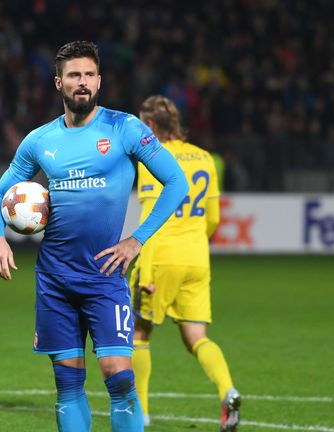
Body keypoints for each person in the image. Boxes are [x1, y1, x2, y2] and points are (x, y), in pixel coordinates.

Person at [0, 41, 188, 432]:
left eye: (90, 75)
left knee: (119, 378)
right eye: (74, 75)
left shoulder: (125, 127)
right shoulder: (40, 141)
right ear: (58, 82)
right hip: (55, 279)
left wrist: (137, 239)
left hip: (105, 275)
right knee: (67, 384)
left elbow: (176, 183)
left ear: (100, 80)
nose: (83, 83)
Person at [130, 95, 241, 431]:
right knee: (196, 336)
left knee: (138, 333)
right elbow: (214, 218)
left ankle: (141, 412)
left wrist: (145, 269)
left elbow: (151, 213)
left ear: (150, 125)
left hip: (161, 257)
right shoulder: (205, 158)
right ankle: (228, 390)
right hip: (197, 258)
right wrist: (193, 241)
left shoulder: (153, 157)